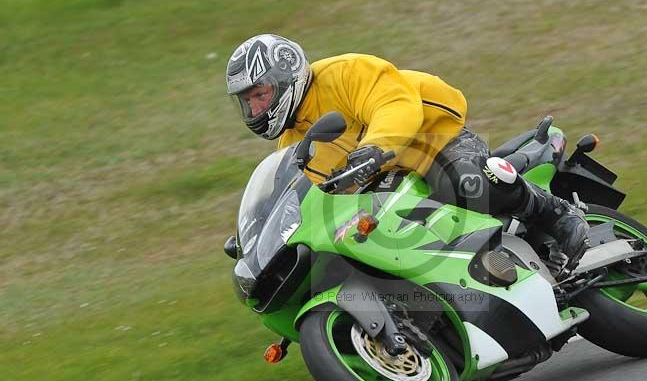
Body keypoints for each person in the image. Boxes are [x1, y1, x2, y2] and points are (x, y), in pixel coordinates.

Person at [225, 34, 589, 267]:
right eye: (248, 102)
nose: (256, 109)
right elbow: (304, 197)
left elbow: (396, 105)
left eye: (261, 94)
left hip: (432, 139)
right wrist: (257, 235)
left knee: (465, 185)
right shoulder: (292, 145)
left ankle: (558, 214)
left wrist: (374, 148)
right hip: (387, 183)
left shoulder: (344, 73)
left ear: (287, 75)